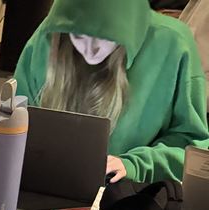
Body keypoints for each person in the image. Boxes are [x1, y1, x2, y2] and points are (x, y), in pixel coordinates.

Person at [14, 0, 209, 183]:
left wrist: (135, 165)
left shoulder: (173, 43)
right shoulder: (50, 36)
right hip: (47, 183)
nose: (90, 51)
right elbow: (16, 117)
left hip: (130, 196)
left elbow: (192, 145)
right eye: (78, 35)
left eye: (104, 37)